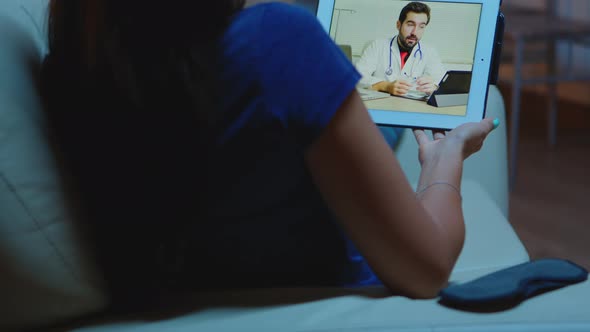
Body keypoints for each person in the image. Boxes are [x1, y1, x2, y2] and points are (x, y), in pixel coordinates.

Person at [41, 0, 497, 311]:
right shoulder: (278, 39)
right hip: (335, 276)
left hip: (204, 257)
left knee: (384, 122)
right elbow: (428, 269)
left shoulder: (71, 70)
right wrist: (445, 160)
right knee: (408, 125)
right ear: (399, 24)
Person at [356, 1, 446, 98]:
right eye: (410, 24)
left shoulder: (430, 52)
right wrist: (385, 86)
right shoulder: (377, 46)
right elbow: (356, 77)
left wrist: (434, 87)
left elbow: (441, 81)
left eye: (421, 26)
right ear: (399, 25)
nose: (414, 32)